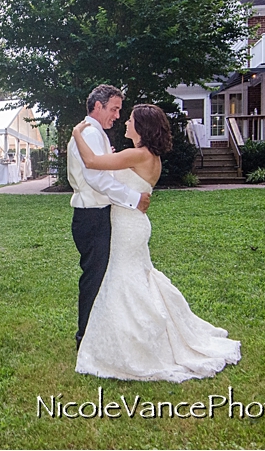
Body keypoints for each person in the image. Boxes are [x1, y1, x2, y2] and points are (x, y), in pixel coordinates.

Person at [71, 102, 241, 382]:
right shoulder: (147, 157)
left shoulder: (137, 155)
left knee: (124, 279)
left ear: (141, 128)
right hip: (133, 224)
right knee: (134, 277)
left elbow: (90, 163)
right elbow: (116, 176)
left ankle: (136, 338)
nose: (125, 122)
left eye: (131, 120)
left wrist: (77, 133)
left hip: (128, 226)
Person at [68, 84, 150, 354]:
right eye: (114, 109)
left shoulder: (94, 133)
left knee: (99, 275)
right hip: (92, 216)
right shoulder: (90, 133)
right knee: (94, 277)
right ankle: (86, 339)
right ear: (98, 106)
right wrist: (133, 198)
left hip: (94, 215)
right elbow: (96, 177)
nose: (117, 115)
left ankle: (93, 334)